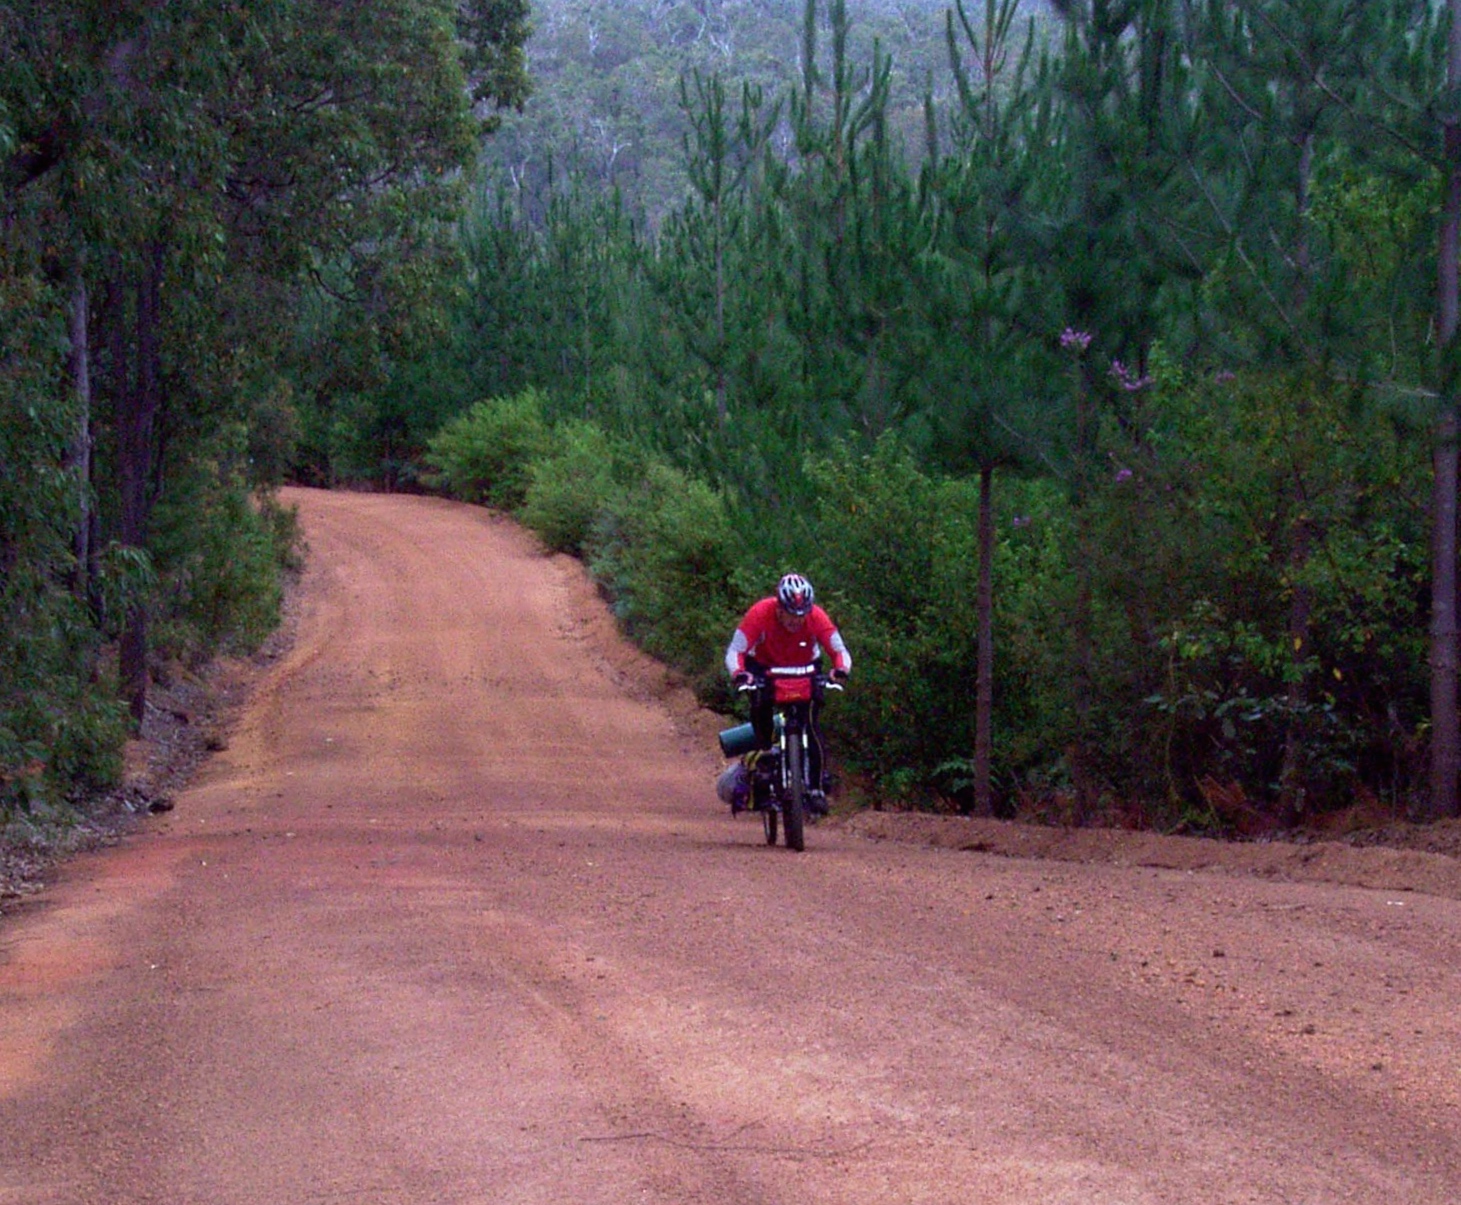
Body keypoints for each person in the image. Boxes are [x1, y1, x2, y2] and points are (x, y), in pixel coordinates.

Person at [725, 573, 851, 813]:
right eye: (790, 613)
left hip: (805, 670)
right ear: (779, 608)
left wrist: (841, 670)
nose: (796, 620)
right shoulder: (760, 613)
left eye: (801, 614)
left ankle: (815, 788)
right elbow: (735, 651)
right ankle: (763, 764)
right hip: (765, 669)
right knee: (760, 712)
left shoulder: (817, 616)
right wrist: (740, 674)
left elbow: (839, 649)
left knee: (812, 725)